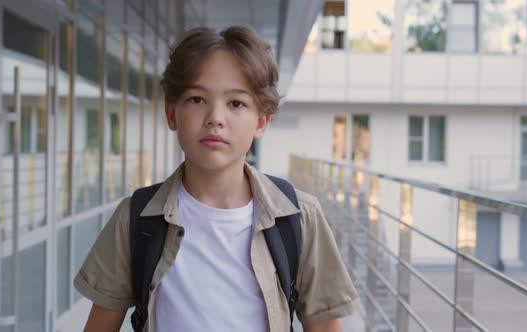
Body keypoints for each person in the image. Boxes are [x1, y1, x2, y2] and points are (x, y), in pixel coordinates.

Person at [74, 26, 358, 332]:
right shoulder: (135, 219)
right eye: (197, 99)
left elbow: (325, 327)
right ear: (172, 114)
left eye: (236, 103)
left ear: (261, 121)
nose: (215, 118)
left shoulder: (299, 217)